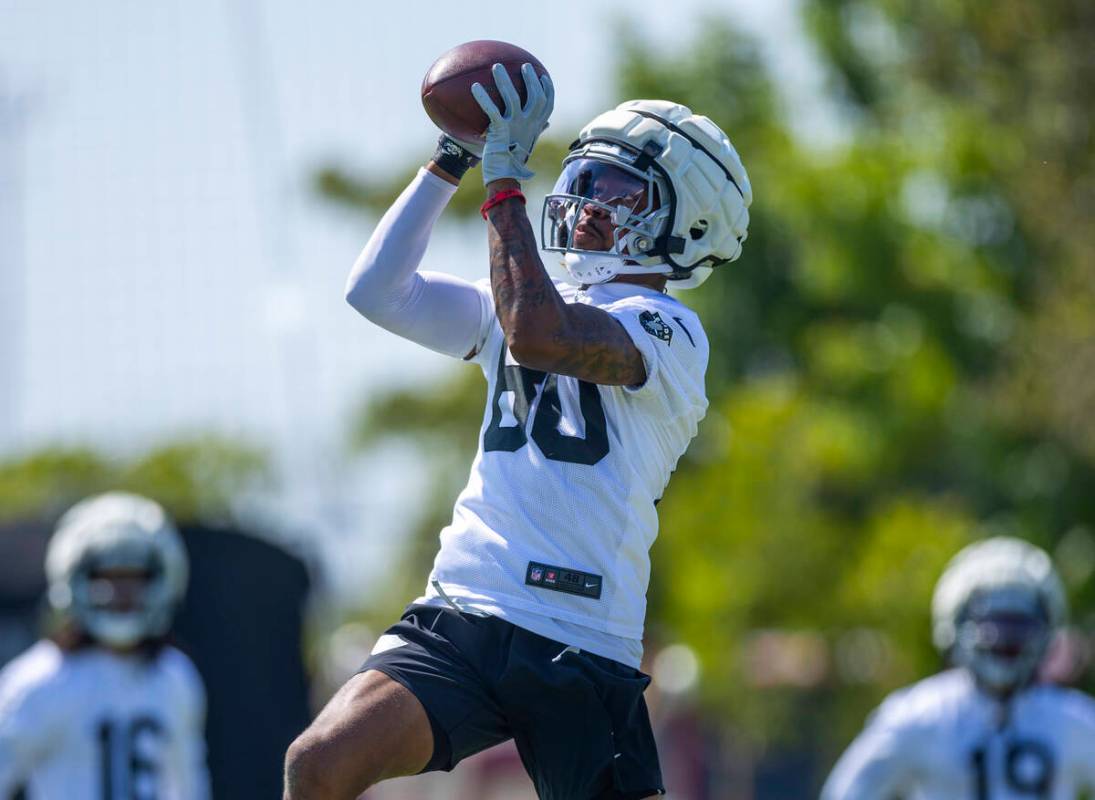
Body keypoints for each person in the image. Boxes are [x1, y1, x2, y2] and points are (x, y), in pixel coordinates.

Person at [284, 64, 751, 800]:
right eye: (586, 184)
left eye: (619, 193)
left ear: (685, 226)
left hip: (579, 631)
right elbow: (376, 291)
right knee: (319, 764)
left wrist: (502, 186)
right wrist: (451, 159)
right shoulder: (522, 301)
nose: (588, 205)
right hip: (466, 605)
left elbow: (538, 335)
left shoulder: (669, 331)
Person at [822, 536, 1095, 799]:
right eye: (993, 627)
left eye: (1018, 626)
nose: (1005, 639)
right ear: (956, 626)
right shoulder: (920, 716)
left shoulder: (1074, 720)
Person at [0, 492, 211, 799]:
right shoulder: (36, 681)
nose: (121, 594)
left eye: (135, 578)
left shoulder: (174, 675)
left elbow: (188, 788)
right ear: (73, 579)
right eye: (107, 577)